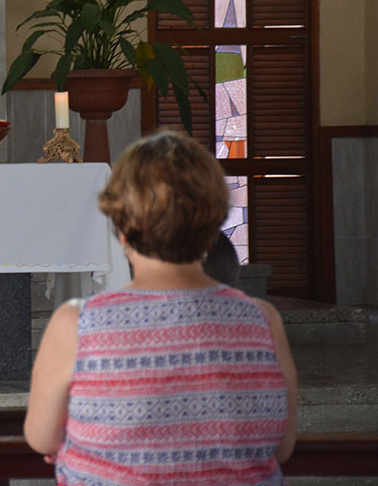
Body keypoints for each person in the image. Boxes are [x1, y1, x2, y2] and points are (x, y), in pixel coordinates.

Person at [24, 131, 297, 485]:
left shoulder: (77, 324)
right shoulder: (263, 319)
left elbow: (42, 438)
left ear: (121, 226)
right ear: (214, 225)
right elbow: (282, 447)